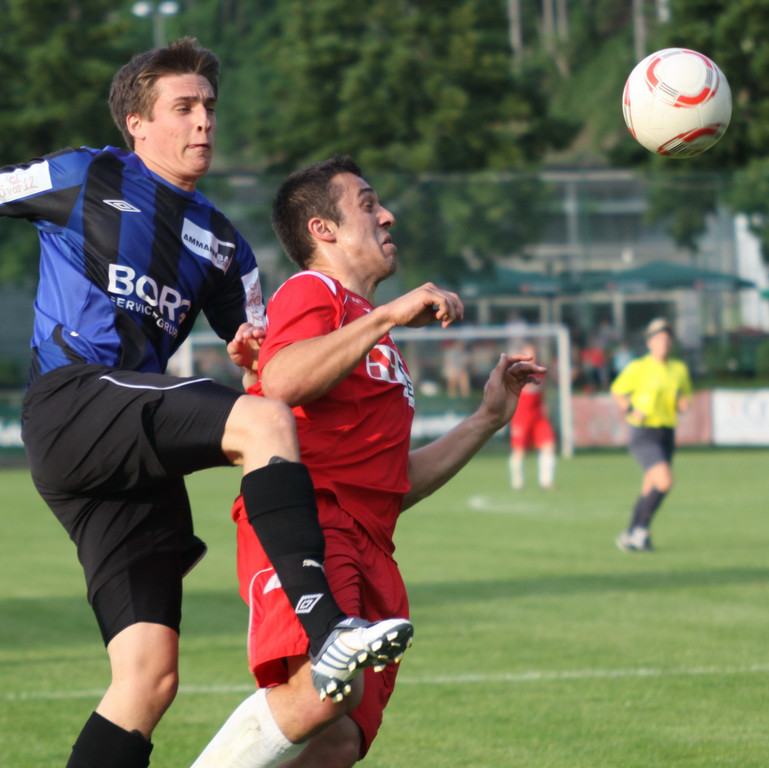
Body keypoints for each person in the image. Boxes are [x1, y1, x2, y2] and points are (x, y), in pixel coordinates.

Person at [0, 40, 409, 768]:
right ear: (137, 123)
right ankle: (327, 629)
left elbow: (267, 364)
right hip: (72, 402)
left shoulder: (225, 246)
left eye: (209, 107)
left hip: (130, 453)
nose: (203, 122)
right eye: (183, 108)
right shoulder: (83, 175)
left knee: (148, 679)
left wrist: (250, 352)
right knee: (261, 424)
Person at [189, 155, 545, 768]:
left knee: (340, 742)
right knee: (325, 695)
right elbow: (281, 382)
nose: (387, 215)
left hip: (372, 544)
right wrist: (387, 315)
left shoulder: (367, 330)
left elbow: (394, 485)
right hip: (312, 527)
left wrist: (486, 418)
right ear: (322, 230)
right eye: (368, 204)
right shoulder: (313, 290)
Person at [610, 317, 692, 552]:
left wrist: (682, 403)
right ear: (650, 343)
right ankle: (635, 533)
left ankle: (635, 534)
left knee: (650, 487)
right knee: (665, 481)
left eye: (667, 339)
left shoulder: (678, 368)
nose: (663, 343)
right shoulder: (639, 367)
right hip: (644, 432)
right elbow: (617, 390)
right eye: (659, 339)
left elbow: (685, 395)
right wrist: (630, 409)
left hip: (666, 432)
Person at [508, 342, 557, 490]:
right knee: (519, 450)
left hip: (538, 415)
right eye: (528, 354)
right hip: (522, 415)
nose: (532, 357)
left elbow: (542, 391)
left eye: (533, 354)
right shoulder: (517, 372)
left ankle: (546, 481)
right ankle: (517, 480)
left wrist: (545, 406)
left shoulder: (540, 370)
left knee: (549, 444)